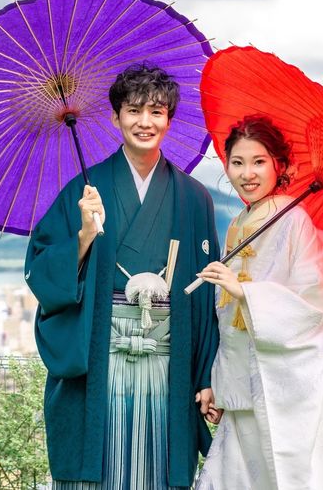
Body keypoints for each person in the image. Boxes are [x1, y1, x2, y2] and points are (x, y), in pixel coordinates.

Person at [25, 63, 220, 489]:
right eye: (134, 110)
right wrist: (83, 236)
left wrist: (207, 375)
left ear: (169, 120)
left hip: (169, 361)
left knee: (158, 469)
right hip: (101, 356)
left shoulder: (194, 198)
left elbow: (206, 298)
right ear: (116, 118)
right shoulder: (83, 191)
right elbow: (40, 268)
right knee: (99, 468)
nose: (144, 122)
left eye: (156, 112)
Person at [195, 114, 323, 490]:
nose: (247, 174)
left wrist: (247, 293)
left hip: (287, 389)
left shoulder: (294, 220)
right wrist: (219, 383)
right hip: (243, 383)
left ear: (279, 165)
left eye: (259, 162)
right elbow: (227, 319)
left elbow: (315, 300)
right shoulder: (238, 222)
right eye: (237, 163)